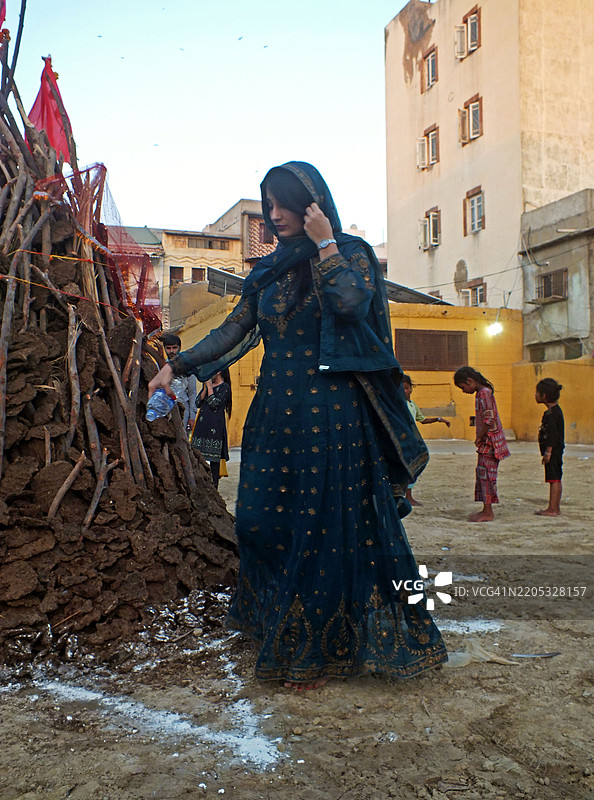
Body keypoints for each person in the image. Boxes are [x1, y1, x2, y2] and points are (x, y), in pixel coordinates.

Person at [149, 161, 447, 689]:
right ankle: (275, 622)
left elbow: (352, 305)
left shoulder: (350, 254)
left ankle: (316, 648)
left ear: (313, 206)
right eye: (268, 206)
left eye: (284, 204)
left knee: (322, 531)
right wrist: (178, 365)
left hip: (331, 416)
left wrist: (327, 245)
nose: (274, 215)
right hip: (275, 414)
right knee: (260, 521)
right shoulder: (269, 270)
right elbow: (236, 330)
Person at [453, 366, 510, 522]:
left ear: (470, 381)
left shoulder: (484, 393)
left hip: (490, 442)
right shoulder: (482, 393)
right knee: (483, 474)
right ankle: (486, 509)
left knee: (487, 475)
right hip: (488, 441)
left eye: (463, 387)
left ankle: (488, 512)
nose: (463, 391)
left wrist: (480, 436)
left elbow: (488, 418)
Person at [401, 374, 450, 506]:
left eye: (406, 388)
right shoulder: (398, 404)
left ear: (411, 388)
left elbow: (422, 420)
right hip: (402, 440)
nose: (404, 391)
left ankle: (408, 494)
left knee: (415, 465)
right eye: (401, 388)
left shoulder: (412, 405)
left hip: (412, 440)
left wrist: (438, 419)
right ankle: (404, 495)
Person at [190, 369, 232, 488]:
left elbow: (215, 404)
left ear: (218, 371)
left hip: (215, 427)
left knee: (214, 459)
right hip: (202, 426)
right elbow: (198, 403)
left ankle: (214, 486)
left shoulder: (225, 387)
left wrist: (209, 387)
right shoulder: (208, 386)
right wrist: (205, 388)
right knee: (197, 455)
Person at [535, 378, 564, 517]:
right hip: (556, 450)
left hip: (553, 451)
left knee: (553, 478)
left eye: (537, 393)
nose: (535, 395)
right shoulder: (555, 411)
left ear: (544, 396)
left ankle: (552, 508)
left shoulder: (552, 415)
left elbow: (552, 435)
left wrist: (548, 452)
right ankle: (555, 507)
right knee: (556, 478)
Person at [162, 334, 196, 430]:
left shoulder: (187, 367)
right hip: (164, 409)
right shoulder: (160, 366)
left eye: (174, 348)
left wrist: (192, 417)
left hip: (182, 408)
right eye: (168, 348)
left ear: (180, 348)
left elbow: (192, 393)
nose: (171, 351)